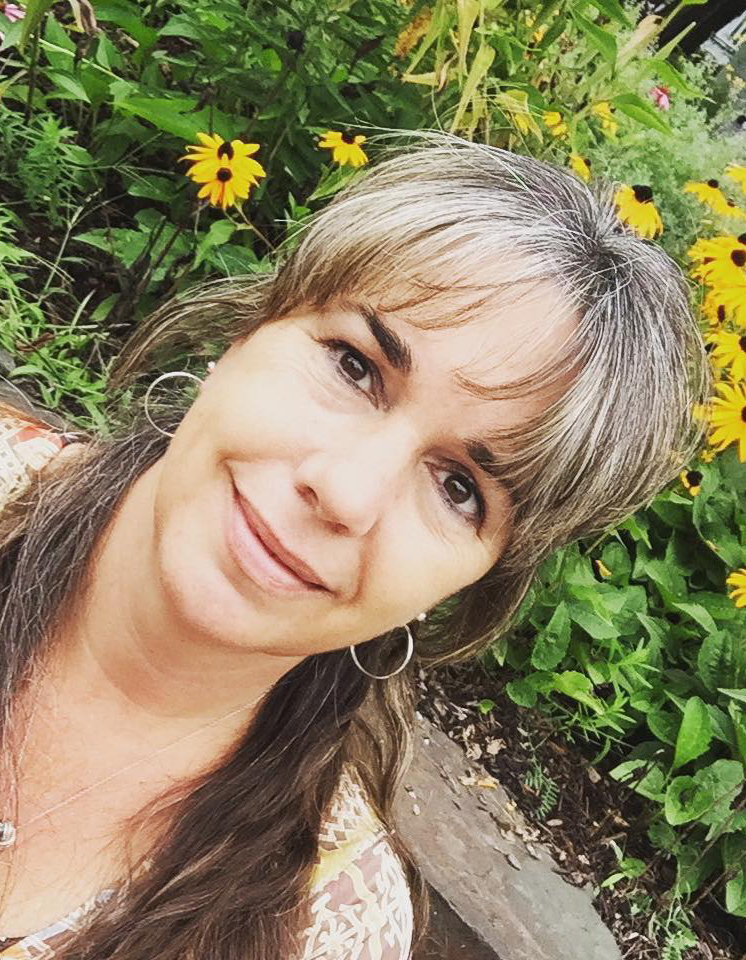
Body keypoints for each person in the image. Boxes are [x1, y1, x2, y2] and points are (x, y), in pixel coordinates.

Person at [0, 130, 709, 960]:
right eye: (355, 365)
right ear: (247, 332)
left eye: (459, 488)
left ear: (472, 581)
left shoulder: (329, 930)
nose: (345, 492)